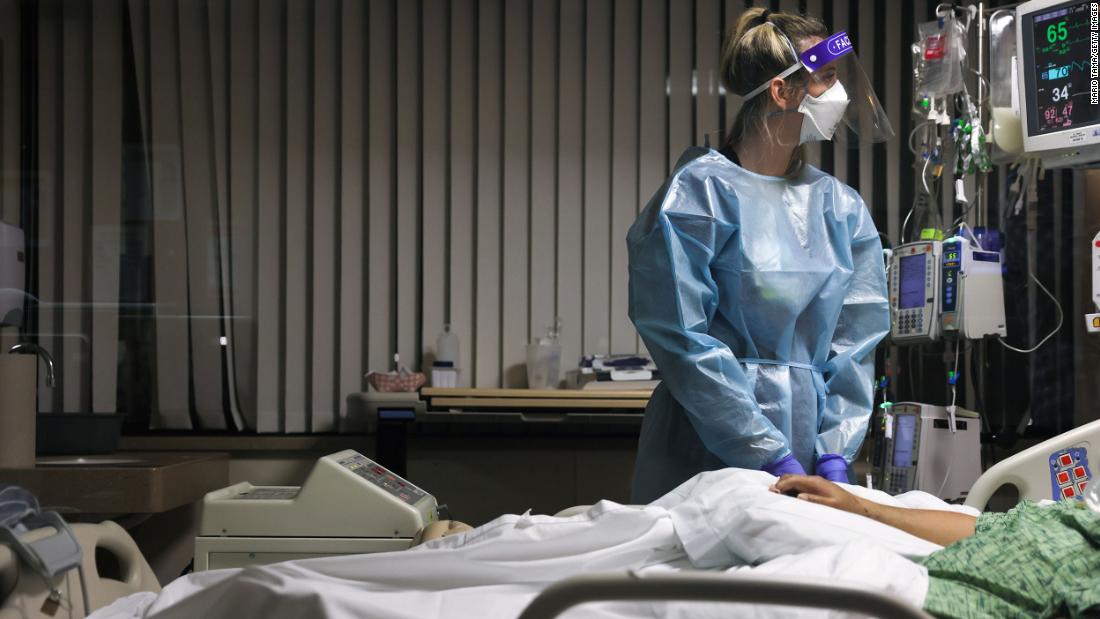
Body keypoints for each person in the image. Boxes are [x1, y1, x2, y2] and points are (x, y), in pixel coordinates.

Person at [627, 7, 894, 503]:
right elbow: (681, 338)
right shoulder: (697, 197)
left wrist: (834, 453)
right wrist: (764, 452)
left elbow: (856, 342)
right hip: (703, 446)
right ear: (782, 90)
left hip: (812, 445)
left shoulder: (842, 209)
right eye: (827, 78)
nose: (840, 95)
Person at [772, 474, 1100, 618]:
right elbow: (983, 526)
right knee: (744, 494)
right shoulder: (1081, 515)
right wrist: (858, 506)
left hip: (909, 600)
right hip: (914, 574)